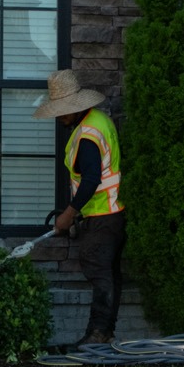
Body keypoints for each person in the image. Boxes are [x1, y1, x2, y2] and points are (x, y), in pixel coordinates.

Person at [35, 68, 125, 347]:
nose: (60, 117)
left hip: (101, 218)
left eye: (63, 111)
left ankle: (98, 335)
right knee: (108, 274)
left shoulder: (87, 135)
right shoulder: (98, 121)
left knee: (100, 274)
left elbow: (91, 180)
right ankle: (103, 333)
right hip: (110, 214)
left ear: (76, 107)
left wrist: (68, 215)